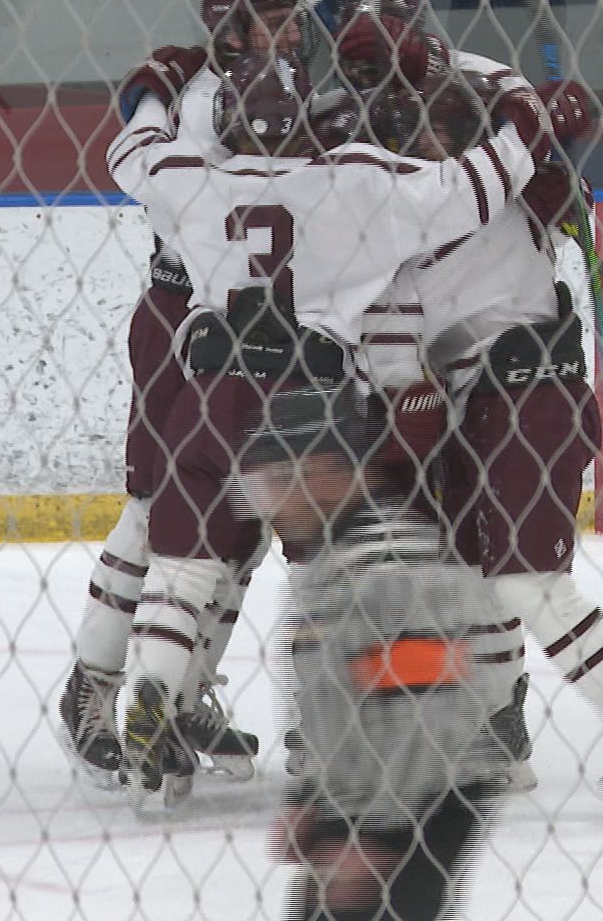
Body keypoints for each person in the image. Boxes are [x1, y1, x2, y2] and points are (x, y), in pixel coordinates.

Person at [104, 45, 540, 808]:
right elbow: (484, 181)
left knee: (182, 571)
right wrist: (518, 105)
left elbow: (131, 149)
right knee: (325, 574)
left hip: (206, 395)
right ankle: (313, 738)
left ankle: (151, 690)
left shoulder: (195, 180)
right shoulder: (362, 181)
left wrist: (154, 83)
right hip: (307, 403)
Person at [336, 8, 603, 808]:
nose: (434, 140)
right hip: (480, 408)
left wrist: (559, 180)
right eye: (417, 126)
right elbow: (391, 330)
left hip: (532, 390)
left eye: (446, 123)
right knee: (473, 573)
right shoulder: (383, 208)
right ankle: (500, 730)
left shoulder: (504, 182)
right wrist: (409, 395)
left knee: (526, 581)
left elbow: (532, 123)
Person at [57, 0, 307, 789]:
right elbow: (147, 179)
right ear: (235, 27)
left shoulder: (283, 85)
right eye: (278, 16)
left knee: (244, 520)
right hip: (183, 325)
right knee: (157, 507)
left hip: (270, 333)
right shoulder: (202, 98)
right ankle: (90, 693)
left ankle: (183, 688)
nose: (296, 27)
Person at [242, 386, 510, 921]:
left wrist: (378, 836)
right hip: (364, 799)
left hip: (428, 800)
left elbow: (421, 718)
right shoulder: (332, 557)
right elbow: (328, 707)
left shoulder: (386, 563)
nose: (269, 503)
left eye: (277, 482)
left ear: (320, 474)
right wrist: (310, 800)